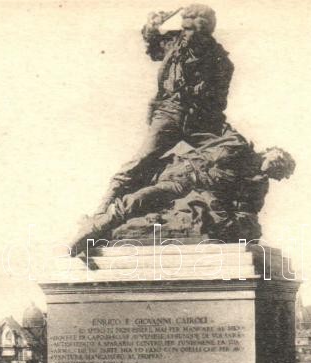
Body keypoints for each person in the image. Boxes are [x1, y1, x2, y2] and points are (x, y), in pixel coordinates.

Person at [94, 4, 234, 214]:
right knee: (142, 159)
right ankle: (104, 208)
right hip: (170, 113)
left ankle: (225, 211)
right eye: (185, 28)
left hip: (201, 120)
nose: (187, 34)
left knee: (231, 152)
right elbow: (153, 43)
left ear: (206, 32)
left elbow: (219, 102)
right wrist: (151, 27)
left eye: (192, 30)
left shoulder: (221, 62)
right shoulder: (175, 44)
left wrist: (199, 96)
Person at [68, 125, 295, 255]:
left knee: (146, 201)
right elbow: (198, 130)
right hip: (181, 176)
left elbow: (247, 213)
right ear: (270, 151)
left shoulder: (256, 184)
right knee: (140, 199)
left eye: (281, 168)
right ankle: (92, 230)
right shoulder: (236, 142)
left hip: (201, 196)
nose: (277, 164)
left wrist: (221, 211)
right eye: (279, 158)